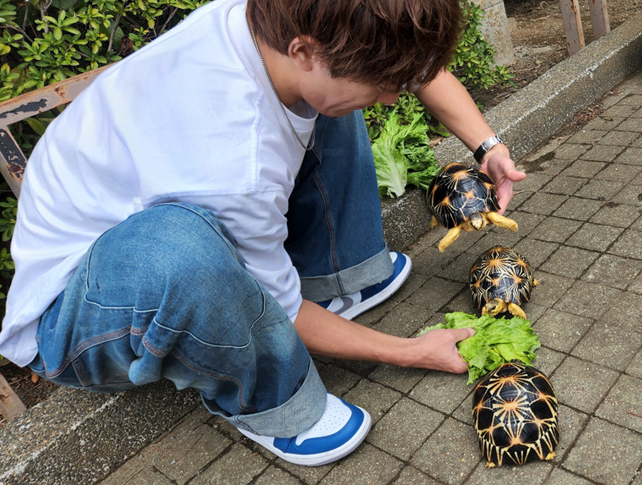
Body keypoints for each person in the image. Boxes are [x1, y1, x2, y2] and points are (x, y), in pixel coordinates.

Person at [0, 0, 525, 467]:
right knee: (183, 252)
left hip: (151, 212)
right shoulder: (235, 160)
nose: (393, 99)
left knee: (335, 101)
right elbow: (282, 307)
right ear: (304, 51)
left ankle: (341, 278)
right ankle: (273, 404)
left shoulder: (281, 25)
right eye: (385, 86)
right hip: (78, 312)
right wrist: (413, 351)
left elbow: (408, 67)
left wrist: (488, 148)